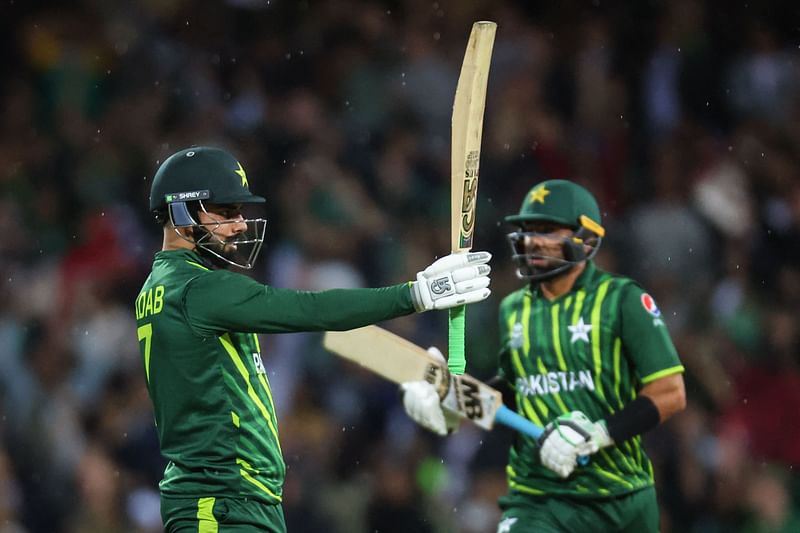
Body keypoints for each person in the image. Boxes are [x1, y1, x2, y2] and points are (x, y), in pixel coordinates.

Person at [135, 146, 493, 533]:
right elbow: (310, 309)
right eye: (224, 212)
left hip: (230, 500)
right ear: (181, 212)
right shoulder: (198, 289)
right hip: (220, 503)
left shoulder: (161, 288)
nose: (239, 224)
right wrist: (416, 294)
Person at [402, 179, 686, 532]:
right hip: (539, 497)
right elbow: (511, 396)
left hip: (620, 497)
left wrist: (596, 434)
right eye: (528, 230)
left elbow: (671, 392)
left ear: (587, 238)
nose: (533, 241)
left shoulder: (623, 301)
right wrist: (453, 399)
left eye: (548, 231)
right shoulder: (513, 309)